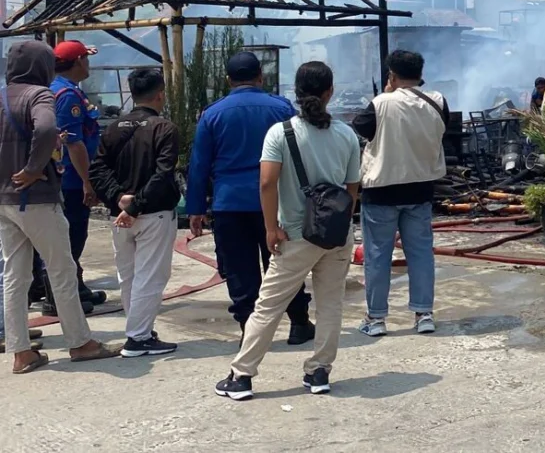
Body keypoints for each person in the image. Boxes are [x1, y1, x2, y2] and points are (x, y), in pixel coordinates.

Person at [215, 61, 360, 400]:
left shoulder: (281, 133)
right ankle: (319, 371)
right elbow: (353, 187)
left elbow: (267, 182)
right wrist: (338, 221)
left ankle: (242, 376)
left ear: (296, 93)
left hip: (295, 235)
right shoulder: (346, 134)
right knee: (330, 305)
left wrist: (271, 228)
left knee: (268, 306)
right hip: (336, 237)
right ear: (329, 93)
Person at [0, 41, 119, 373]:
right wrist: (37, 166)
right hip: (36, 198)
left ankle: (22, 352)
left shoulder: (1, 94)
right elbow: (47, 126)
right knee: (62, 270)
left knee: (16, 275)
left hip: (5, 200)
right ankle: (80, 343)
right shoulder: (41, 95)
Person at [186, 51, 315, 345]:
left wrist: (195, 208)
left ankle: (249, 329)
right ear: (261, 77)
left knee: (239, 269)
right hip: (277, 203)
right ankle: (299, 323)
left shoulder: (212, 114)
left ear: (228, 80)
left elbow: (199, 165)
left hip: (229, 204)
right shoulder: (281, 108)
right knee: (284, 264)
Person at [353, 50, 448, 337]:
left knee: (377, 255)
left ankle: (376, 318)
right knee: (420, 254)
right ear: (420, 74)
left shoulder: (379, 104)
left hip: (381, 191)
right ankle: (423, 314)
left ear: (391, 76)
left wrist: (386, 94)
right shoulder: (437, 101)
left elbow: (361, 129)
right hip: (420, 189)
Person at [90, 68, 181, 358]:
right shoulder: (164, 128)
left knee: (128, 275)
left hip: (120, 215)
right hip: (153, 213)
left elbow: (98, 169)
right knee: (151, 277)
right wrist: (136, 205)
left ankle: (137, 328)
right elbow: (163, 173)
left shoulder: (114, 127)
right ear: (160, 94)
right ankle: (138, 338)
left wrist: (119, 198)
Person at [43, 39, 106, 315]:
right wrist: (87, 182)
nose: (89, 63)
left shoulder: (63, 89)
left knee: (70, 236)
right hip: (70, 179)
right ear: (79, 61)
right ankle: (56, 297)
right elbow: (74, 143)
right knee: (71, 237)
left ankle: (74, 285)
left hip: (65, 177)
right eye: (86, 58)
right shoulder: (67, 95)